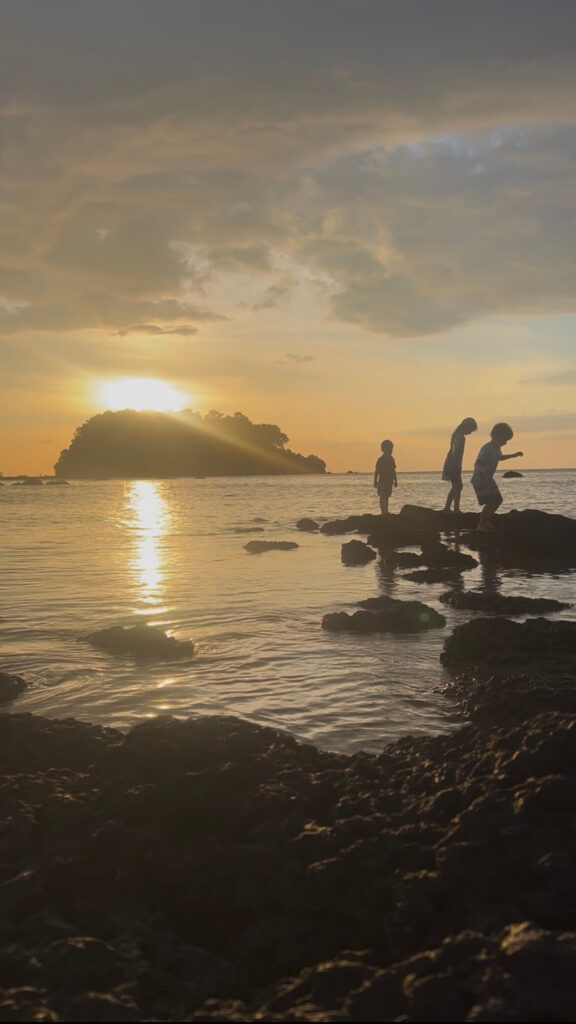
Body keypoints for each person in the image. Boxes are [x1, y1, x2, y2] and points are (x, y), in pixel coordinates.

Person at [471, 423, 523, 531]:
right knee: (492, 501)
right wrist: (482, 470)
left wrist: (513, 455)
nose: (505, 443)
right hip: (480, 479)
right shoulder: (487, 448)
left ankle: (485, 522)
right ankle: (481, 525)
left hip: (488, 478)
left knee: (497, 500)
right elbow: (477, 463)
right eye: (504, 439)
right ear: (495, 436)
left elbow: (499, 457)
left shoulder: (496, 448)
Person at [442, 417, 478, 513]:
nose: (470, 432)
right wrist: (457, 465)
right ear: (466, 427)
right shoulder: (460, 437)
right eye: (470, 430)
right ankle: (452, 508)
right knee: (458, 486)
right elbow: (455, 452)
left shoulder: (457, 435)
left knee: (457, 486)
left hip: (453, 463)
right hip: (453, 464)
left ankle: (452, 508)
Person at [374, 439, 397, 514]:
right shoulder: (380, 459)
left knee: (387, 496)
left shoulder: (391, 459)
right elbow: (377, 471)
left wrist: (395, 480)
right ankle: (383, 512)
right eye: (389, 449)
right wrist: (375, 481)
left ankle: (386, 511)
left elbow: (393, 471)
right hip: (382, 481)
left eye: (391, 449)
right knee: (382, 496)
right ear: (383, 449)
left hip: (389, 481)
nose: (391, 451)